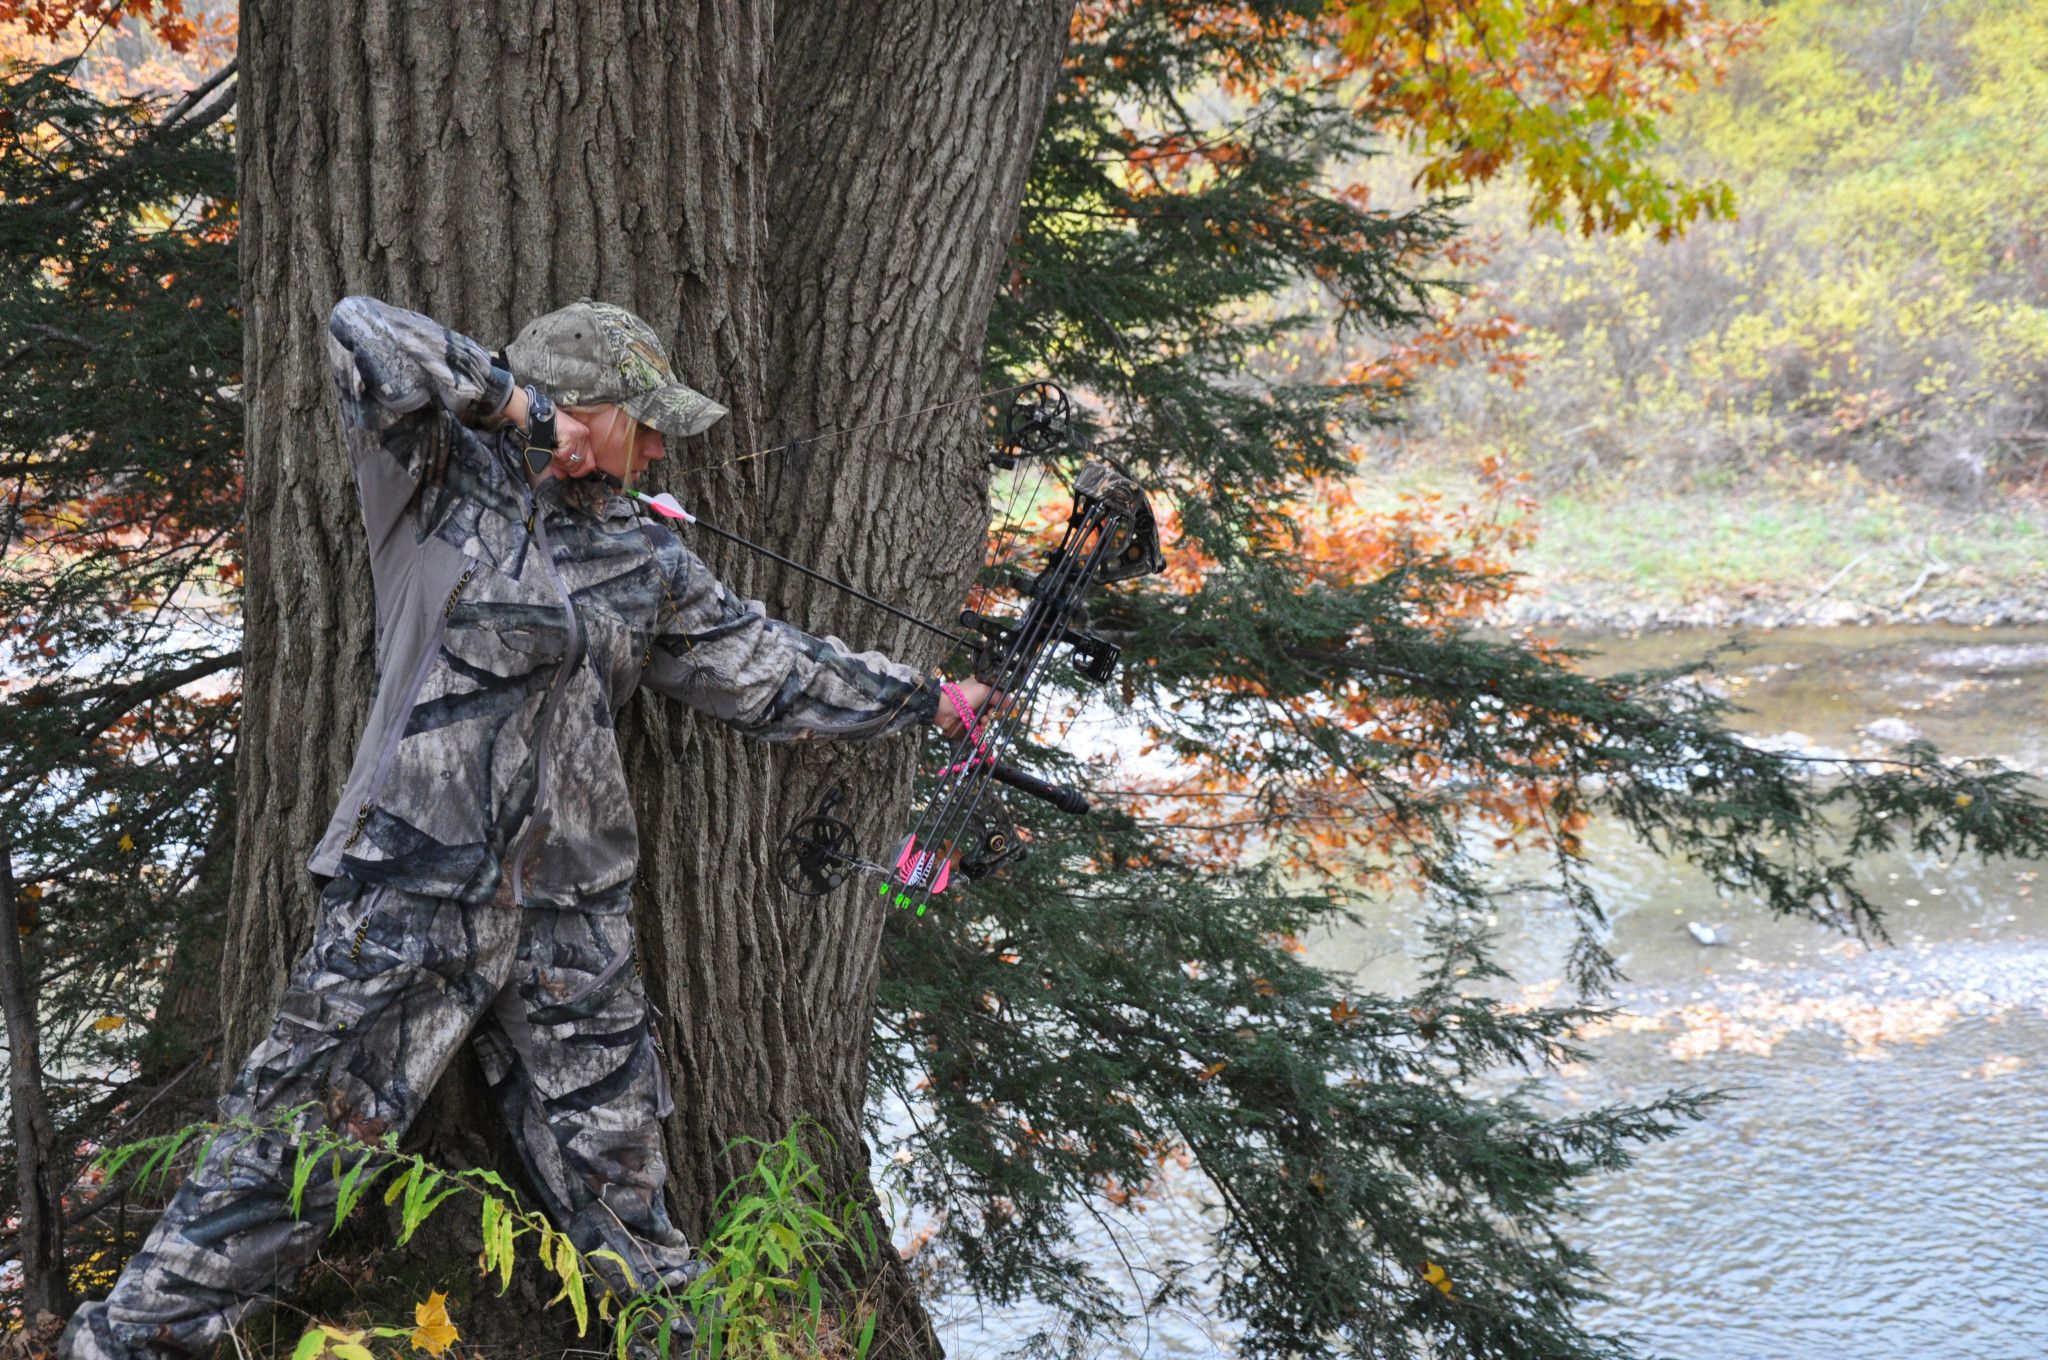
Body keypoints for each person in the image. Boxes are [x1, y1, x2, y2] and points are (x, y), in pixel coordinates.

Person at [62, 296, 993, 1360]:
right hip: (411, 894)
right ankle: (124, 1344)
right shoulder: (433, 480)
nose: (654, 448)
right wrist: (517, 405)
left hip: (570, 918)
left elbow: (760, 665)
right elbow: (360, 327)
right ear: (580, 408)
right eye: (640, 422)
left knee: (624, 1189)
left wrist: (928, 698)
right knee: (284, 1158)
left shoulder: (640, 551)